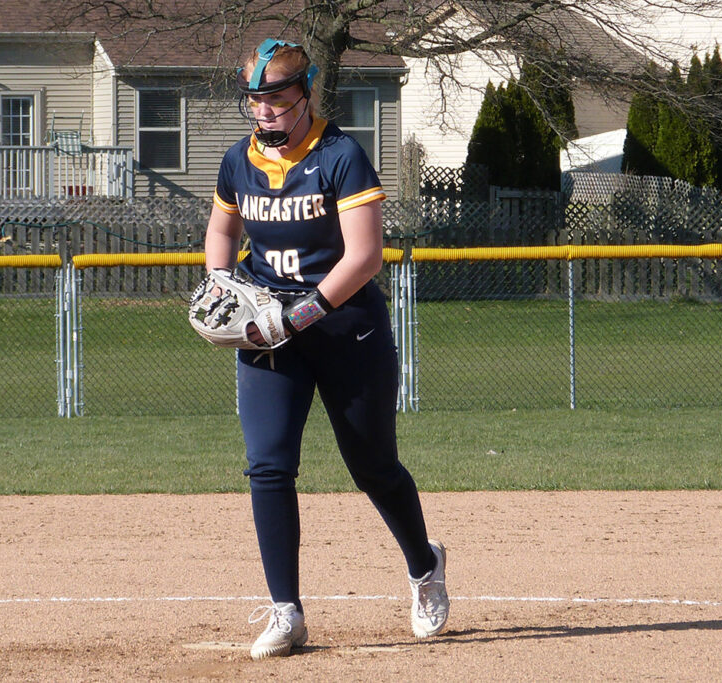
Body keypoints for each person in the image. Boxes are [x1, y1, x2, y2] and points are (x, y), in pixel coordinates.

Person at [202, 38, 450, 660]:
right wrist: (221, 283)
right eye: (256, 102)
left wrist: (299, 315)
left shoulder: (341, 156)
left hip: (345, 332)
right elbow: (223, 226)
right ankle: (286, 611)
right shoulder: (240, 160)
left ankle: (424, 565)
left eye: (277, 101)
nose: (265, 113)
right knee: (267, 466)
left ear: (305, 93)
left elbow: (364, 257)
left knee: (373, 467)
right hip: (268, 335)